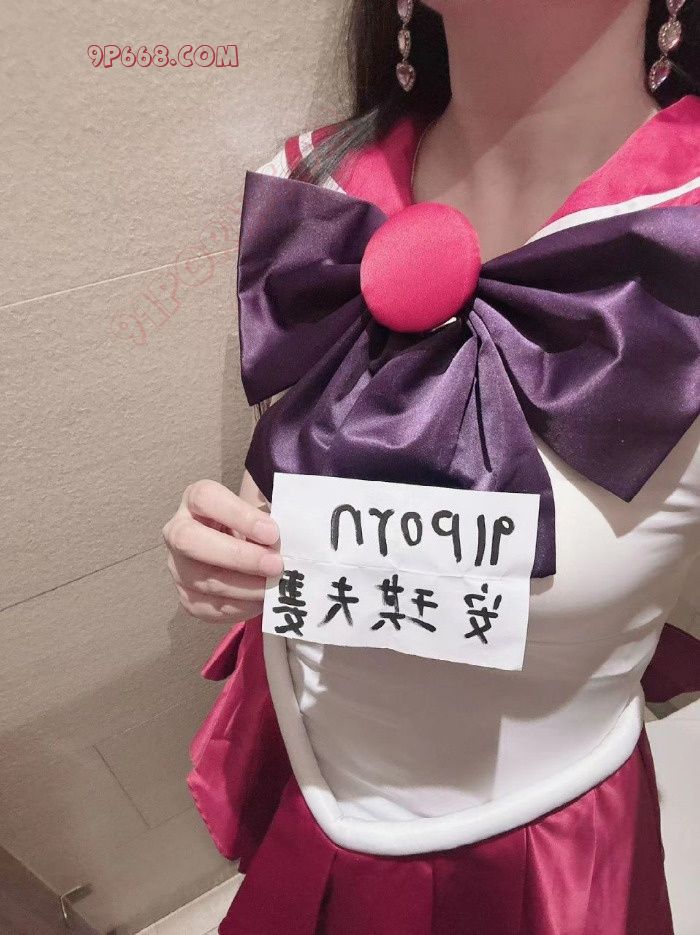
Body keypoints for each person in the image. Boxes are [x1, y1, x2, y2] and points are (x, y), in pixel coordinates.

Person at [162, 1, 700, 932]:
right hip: (318, 786)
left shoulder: (677, 243)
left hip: (543, 857)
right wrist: (229, 548)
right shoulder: (311, 187)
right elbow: (280, 478)